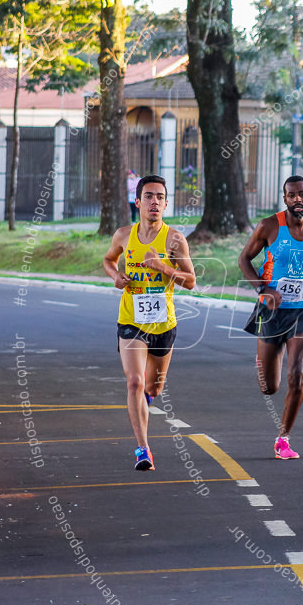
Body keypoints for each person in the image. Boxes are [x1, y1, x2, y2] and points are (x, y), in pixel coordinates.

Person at [102, 175, 197, 471]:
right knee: (134, 381)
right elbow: (108, 260)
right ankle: (143, 449)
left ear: (166, 204)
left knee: (153, 388)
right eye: (149, 196)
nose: (154, 201)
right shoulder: (123, 235)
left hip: (163, 324)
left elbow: (191, 281)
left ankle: (143, 402)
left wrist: (160, 266)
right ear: (138, 202)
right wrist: (116, 277)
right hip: (131, 320)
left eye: (159, 197)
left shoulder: (174, 239)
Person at [238, 175, 303, 460]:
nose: (297, 199)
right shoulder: (269, 226)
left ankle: (283, 439)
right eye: (291, 195)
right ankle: (263, 360)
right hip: (272, 311)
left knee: (298, 374)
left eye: (302, 194)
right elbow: (244, 259)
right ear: (285, 198)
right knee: (270, 387)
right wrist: (262, 289)